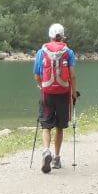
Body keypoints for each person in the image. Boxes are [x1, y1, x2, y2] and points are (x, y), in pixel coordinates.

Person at [34, 22, 76, 173]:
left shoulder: (41, 51)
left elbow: (36, 74)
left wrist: (41, 85)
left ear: (50, 36)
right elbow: (72, 75)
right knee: (59, 127)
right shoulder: (68, 52)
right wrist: (73, 92)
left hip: (47, 93)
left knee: (46, 125)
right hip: (63, 93)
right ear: (62, 36)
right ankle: (57, 158)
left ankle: (46, 151)